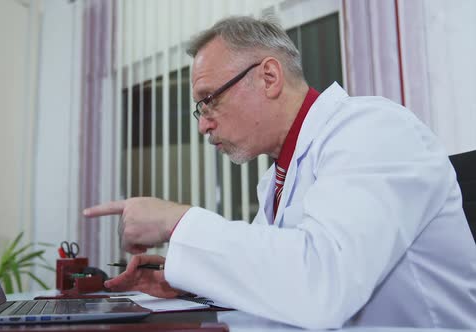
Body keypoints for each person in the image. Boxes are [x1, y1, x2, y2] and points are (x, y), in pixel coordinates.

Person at [83, 15, 476, 329]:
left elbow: (323, 286)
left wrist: (178, 221)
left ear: (269, 77)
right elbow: (279, 280)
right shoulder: (276, 178)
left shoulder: (372, 128)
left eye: (208, 100)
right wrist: (188, 281)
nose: (203, 125)